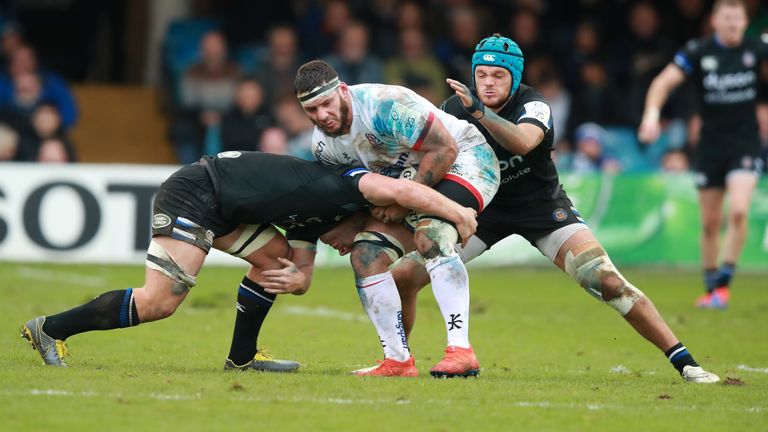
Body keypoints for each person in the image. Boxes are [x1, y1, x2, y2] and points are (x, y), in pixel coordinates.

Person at [389, 34, 719, 383]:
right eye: (481, 74)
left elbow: (522, 141)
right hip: (481, 212)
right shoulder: (452, 109)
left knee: (606, 281)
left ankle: (686, 363)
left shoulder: (534, 105)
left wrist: (479, 113)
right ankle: (400, 360)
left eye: (498, 75)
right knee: (402, 277)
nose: (487, 82)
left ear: (514, 77)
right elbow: (431, 156)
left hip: (542, 208)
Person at [20, 151, 478, 370]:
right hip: (195, 194)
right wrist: (456, 211)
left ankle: (241, 359)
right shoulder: (340, 189)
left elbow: (299, 274)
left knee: (275, 262)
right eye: (352, 239)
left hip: (223, 207)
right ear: (355, 215)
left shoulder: (314, 219)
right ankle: (52, 328)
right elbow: (400, 190)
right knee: (160, 302)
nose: (346, 248)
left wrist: (299, 278)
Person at [294, 59, 499, 378]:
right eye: (312, 111)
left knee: (431, 235)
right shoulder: (323, 147)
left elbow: (443, 149)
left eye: (326, 104)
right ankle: (397, 361)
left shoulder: (385, 106)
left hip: (467, 159)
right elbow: (357, 191)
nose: (322, 115)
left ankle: (461, 350)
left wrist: (404, 203)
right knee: (367, 254)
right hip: (404, 186)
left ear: (343, 91)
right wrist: (350, 228)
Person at [638, 0, 767, 309]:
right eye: (728, 18)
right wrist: (651, 115)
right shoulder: (698, 51)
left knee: (737, 210)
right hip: (709, 145)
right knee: (710, 221)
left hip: (745, 143)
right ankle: (711, 288)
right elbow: (662, 83)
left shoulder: (756, 50)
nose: (734, 24)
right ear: (715, 21)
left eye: (739, 19)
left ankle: (723, 283)